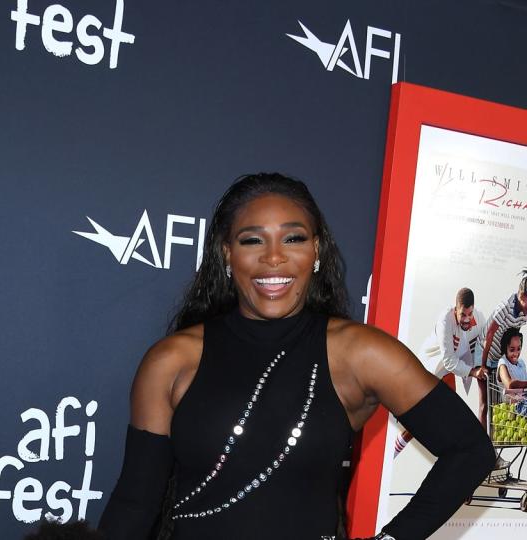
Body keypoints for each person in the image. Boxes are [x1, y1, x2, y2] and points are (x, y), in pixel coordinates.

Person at [98, 173, 494, 540]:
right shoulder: (171, 361)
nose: (274, 258)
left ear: (316, 250)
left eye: (293, 239)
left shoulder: (359, 354)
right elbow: (136, 503)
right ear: (226, 254)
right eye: (252, 240)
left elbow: (470, 451)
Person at [392, 288, 487, 456]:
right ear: (455, 309)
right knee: (419, 419)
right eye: (463, 315)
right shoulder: (445, 320)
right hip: (429, 369)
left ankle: (453, 455)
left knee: (448, 412)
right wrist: (473, 372)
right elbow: (449, 361)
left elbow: (479, 346)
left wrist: (480, 367)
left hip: (447, 372)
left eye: (469, 314)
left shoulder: (479, 318)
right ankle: (393, 450)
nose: (467, 319)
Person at [480, 271, 527, 423]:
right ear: (522, 297)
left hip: (502, 355)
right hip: (485, 351)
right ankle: (482, 444)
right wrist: (483, 364)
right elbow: (489, 334)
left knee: (497, 405)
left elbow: (515, 334)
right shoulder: (506, 307)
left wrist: (510, 355)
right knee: (485, 404)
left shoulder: (525, 313)